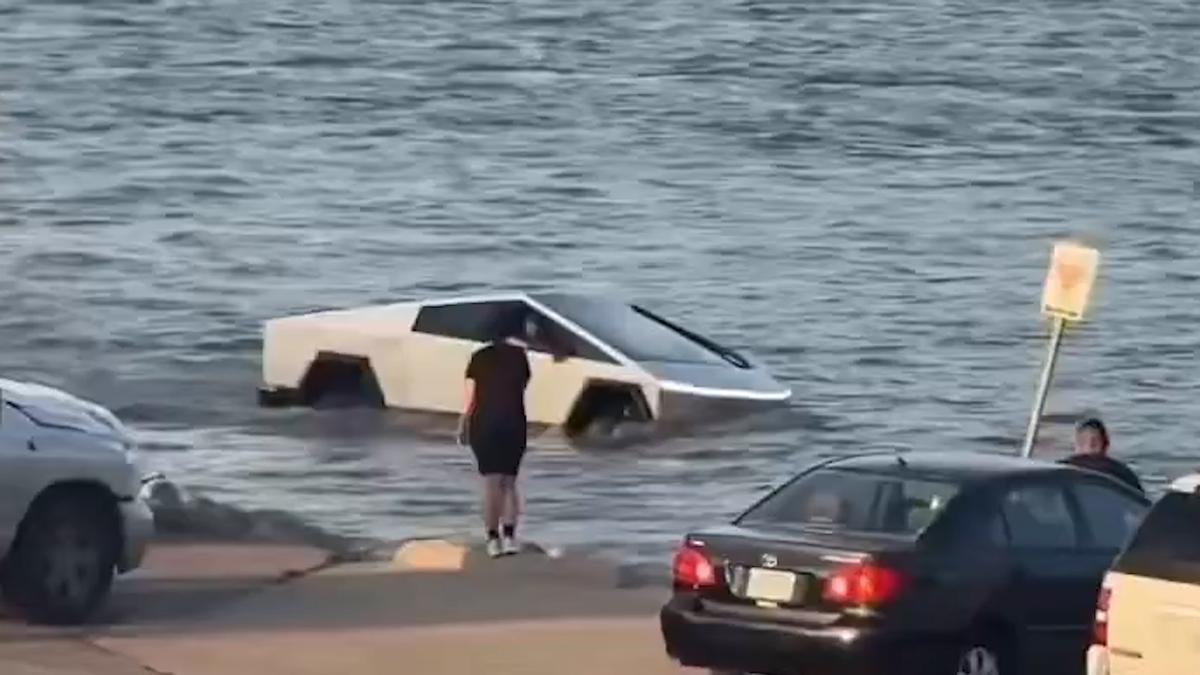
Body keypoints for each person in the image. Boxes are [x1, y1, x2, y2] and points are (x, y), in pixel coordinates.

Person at [457, 309, 532, 558]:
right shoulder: (519, 357)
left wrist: (463, 423)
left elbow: (472, 396)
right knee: (509, 482)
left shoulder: (478, 357)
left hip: (485, 423)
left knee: (491, 483)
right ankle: (509, 538)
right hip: (514, 422)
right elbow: (521, 386)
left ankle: (492, 540)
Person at [1060, 417, 1143, 494]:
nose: (1088, 448)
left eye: (1094, 443)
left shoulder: (1061, 470)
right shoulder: (1124, 474)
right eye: (1083, 442)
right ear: (1106, 445)